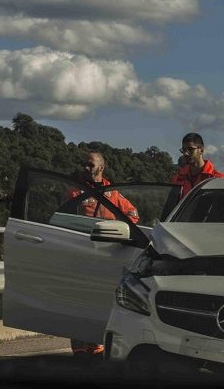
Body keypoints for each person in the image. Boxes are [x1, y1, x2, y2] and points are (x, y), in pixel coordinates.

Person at [63, 151, 140, 357]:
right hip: (82, 256)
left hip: (106, 257)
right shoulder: (75, 192)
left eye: (91, 165)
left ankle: (97, 345)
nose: (86, 168)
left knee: (101, 303)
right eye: (85, 164)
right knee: (79, 302)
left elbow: (133, 215)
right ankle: (79, 347)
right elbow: (63, 220)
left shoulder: (113, 193)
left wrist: (119, 233)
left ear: (101, 168)